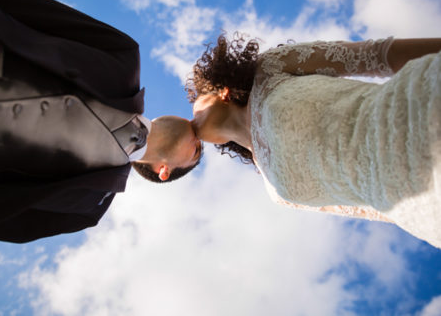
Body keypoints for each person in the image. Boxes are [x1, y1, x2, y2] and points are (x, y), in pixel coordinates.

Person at [0, 0, 201, 244]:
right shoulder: (123, 57)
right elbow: (17, 6)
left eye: (196, 152)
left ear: (163, 171)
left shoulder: (87, 209)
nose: (199, 138)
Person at [187, 33, 441, 248]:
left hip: (420, 109)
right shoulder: (275, 192)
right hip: (422, 205)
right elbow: (367, 208)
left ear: (221, 91)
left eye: (194, 105)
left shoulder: (269, 68)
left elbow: (377, 55)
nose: (192, 117)